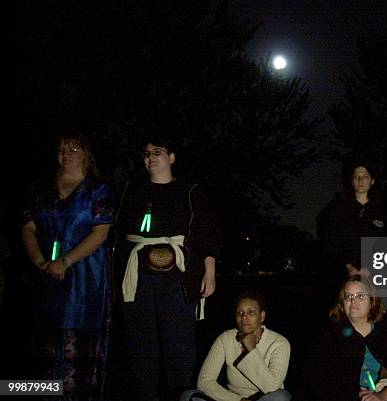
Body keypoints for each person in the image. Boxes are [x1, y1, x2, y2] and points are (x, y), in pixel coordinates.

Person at [113, 136, 223, 401]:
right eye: (147, 153)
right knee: (141, 350)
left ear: (171, 158)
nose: (150, 157)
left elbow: (205, 233)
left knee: (179, 349)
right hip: (137, 280)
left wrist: (209, 271)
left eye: (158, 152)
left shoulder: (189, 190)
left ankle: (182, 396)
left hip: (178, 281)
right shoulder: (132, 190)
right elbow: (117, 233)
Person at [21, 132, 113, 400]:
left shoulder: (98, 189)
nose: (67, 154)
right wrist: (39, 261)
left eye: (74, 149)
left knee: (78, 349)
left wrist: (66, 261)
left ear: (85, 154)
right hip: (45, 275)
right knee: (42, 347)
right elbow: (27, 227)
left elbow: (100, 233)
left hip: (85, 277)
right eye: (62, 149)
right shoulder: (41, 189)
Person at [299, 276, 387, 401]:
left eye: (360, 296)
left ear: (372, 301)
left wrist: (383, 394)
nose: (353, 301)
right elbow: (317, 380)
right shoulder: (330, 338)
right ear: (342, 304)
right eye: (348, 296)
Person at [181, 291, 291, 401]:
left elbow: (271, 387)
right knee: (188, 396)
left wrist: (252, 350)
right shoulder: (226, 338)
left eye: (251, 312)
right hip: (233, 399)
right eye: (239, 313)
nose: (244, 317)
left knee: (281, 397)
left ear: (262, 316)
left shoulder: (279, 343)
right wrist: (239, 400)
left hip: (265, 398)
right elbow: (204, 381)